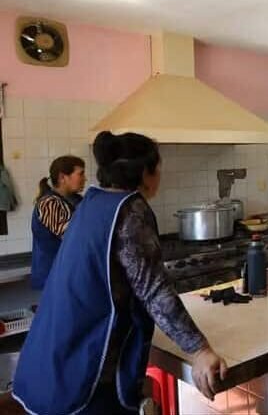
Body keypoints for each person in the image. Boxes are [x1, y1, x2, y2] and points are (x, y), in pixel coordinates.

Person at [13, 132, 226, 414]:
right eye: (158, 167)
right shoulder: (130, 211)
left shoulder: (92, 201)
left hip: (48, 363)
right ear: (145, 172)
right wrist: (199, 349)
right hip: (83, 372)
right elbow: (154, 291)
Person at [30, 155, 86, 290]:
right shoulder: (49, 203)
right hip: (54, 275)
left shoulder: (76, 199)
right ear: (62, 177)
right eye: (80, 174)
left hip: (69, 271)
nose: (85, 178)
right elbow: (72, 236)